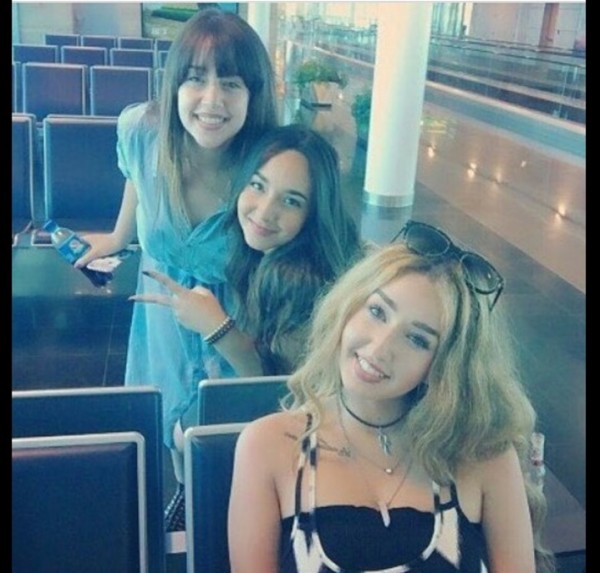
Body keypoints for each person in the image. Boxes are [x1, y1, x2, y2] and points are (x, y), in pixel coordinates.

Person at [228, 220, 556, 573]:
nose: (380, 348)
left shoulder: (484, 454)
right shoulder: (268, 446)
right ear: (348, 307)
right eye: (377, 312)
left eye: (417, 339)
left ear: (446, 365)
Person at [74, 7, 278, 531]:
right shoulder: (142, 131)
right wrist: (119, 236)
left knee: (229, 446)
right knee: (172, 432)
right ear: (174, 86)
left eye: (231, 83)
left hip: (234, 323)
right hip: (161, 324)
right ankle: (187, 496)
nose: (212, 100)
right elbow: (138, 179)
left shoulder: (268, 164)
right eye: (195, 79)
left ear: (253, 94)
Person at [134, 124, 364, 378]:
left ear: (313, 214)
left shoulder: (299, 282)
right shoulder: (261, 253)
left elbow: (277, 387)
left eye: (291, 201)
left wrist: (216, 327)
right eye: (257, 185)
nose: (264, 212)